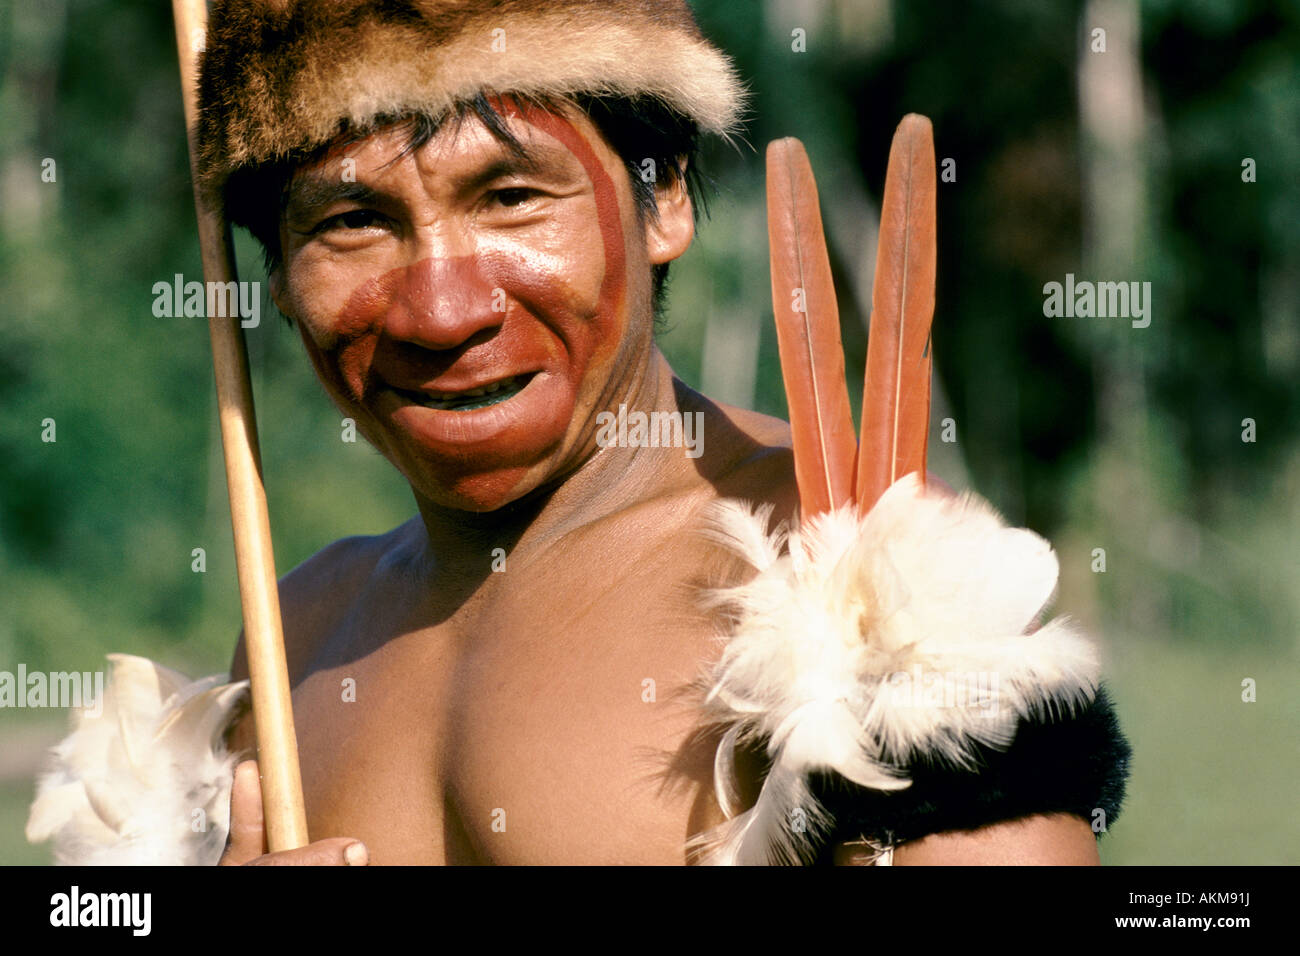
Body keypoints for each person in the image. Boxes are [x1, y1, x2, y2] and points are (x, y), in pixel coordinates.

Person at [28, 0, 1129, 866]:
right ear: (274, 276)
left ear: (666, 201)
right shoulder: (302, 633)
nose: (441, 308)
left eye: (510, 195)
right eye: (352, 221)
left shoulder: (857, 586)